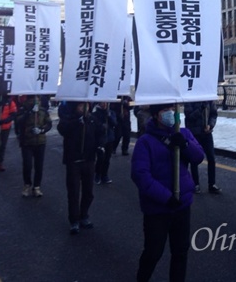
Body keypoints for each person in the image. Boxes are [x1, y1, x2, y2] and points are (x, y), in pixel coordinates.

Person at [131, 103, 204, 282]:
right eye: (166, 110)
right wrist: (166, 197)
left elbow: (198, 157)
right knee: (153, 252)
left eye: (173, 109)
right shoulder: (145, 142)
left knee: (180, 252)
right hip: (157, 209)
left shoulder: (183, 133)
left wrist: (185, 145)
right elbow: (140, 176)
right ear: (156, 115)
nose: (171, 113)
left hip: (182, 205)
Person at [57, 101, 103, 235]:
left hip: (89, 160)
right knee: (73, 192)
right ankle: (74, 220)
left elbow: (101, 132)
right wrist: (77, 121)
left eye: (86, 106)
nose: (84, 108)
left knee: (88, 192)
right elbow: (62, 129)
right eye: (81, 106)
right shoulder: (69, 119)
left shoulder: (92, 119)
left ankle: (84, 215)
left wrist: (100, 145)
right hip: (74, 161)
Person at [15, 95, 52, 197]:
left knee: (39, 165)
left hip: (40, 142)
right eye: (33, 99)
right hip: (27, 142)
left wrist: (42, 130)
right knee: (27, 165)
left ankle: (37, 186)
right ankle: (27, 185)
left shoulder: (43, 110)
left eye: (37, 99)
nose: (35, 101)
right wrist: (29, 112)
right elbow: (18, 121)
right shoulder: (23, 109)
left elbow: (49, 123)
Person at [184, 101, 221, 194]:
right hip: (194, 133)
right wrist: (200, 108)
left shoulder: (209, 99)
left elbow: (213, 114)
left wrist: (210, 125)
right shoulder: (190, 99)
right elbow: (189, 116)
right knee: (194, 159)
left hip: (207, 133)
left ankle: (212, 184)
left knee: (211, 158)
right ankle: (195, 184)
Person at [0, 95, 17, 173]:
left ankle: (0, 163)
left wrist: (5, 121)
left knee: (3, 146)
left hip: (5, 127)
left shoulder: (9, 102)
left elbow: (13, 114)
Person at [92, 102, 117, 185]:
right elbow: (94, 126)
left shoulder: (111, 112)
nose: (104, 105)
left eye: (105, 103)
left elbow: (114, 123)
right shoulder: (95, 114)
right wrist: (101, 126)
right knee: (100, 158)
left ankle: (104, 175)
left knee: (107, 158)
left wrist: (108, 115)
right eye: (102, 103)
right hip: (100, 139)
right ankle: (97, 174)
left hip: (109, 138)